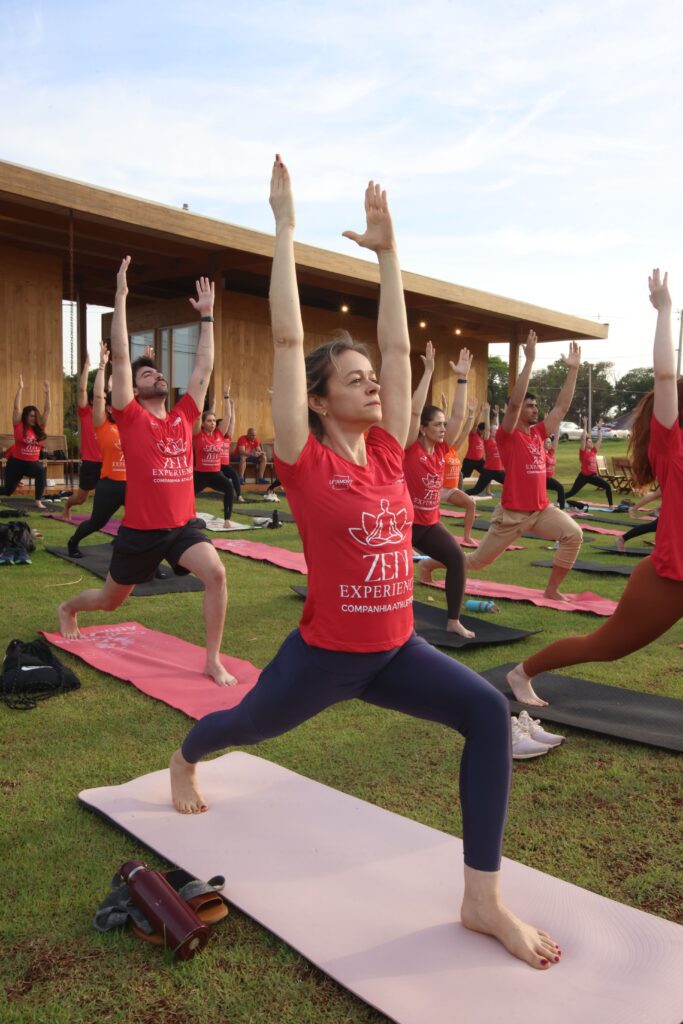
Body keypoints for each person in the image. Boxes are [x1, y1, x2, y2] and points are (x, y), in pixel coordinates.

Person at [169, 156, 562, 972]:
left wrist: (387, 254)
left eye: (371, 380)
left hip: (393, 652)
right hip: (322, 660)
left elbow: (393, 341)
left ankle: (480, 898)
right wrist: (282, 231)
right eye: (353, 381)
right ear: (318, 399)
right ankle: (186, 754)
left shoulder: (386, 450)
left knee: (486, 715)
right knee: (244, 726)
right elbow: (285, 338)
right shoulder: (302, 458)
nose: (373, 385)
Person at [507, 269, 683, 706]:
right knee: (606, 647)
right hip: (670, 578)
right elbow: (664, 376)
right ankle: (522, 672)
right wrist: (665, 311)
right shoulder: (671, 443)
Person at [57, 257, 235, 687]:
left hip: (182, 528)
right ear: (133, 389)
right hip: (140, 532)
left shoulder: (183, 416)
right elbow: (120, 353)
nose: (157, 375)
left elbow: (204, 369)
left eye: (158, 372)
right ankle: (68, 608)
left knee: (216, 573)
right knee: (109, 601)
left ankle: (212, 658)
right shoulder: (131, 416)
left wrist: (206, 317)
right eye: (147, 373)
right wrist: (120, 296)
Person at [464, 333, 584, 603]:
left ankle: (551, 590)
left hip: (541, 511)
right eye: (529, 406)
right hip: (511, 516)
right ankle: (430, 565)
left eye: (535, 405)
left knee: (573, 534)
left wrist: (573, 370)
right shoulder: (507, 435)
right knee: (476, 562)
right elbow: (515, 403)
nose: (534, 409)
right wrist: (529, 361)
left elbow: (561, 408)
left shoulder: (538, 434)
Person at [404, 340, 475, 637]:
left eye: (443, 424)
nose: (444, 428)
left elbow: (458, 417)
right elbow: (413, 410)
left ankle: (453, 620)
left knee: (457, 559)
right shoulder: (408, 447)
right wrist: (429, 371)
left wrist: (462, 378)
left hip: (429, 524)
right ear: (422, 427)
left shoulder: (441, 450)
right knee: (396, 573)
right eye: (437, 424)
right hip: (402, 524)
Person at [67, 344, 126, 556]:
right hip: (109, 484)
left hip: (131, 484)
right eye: (113, 405)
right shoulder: (102, 424)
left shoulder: (131, 425)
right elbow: (98, 395)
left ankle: (150, 564)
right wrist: (101, 365)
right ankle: (73, 542)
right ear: (108, 407)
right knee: (96, 522)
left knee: (143, 522)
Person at [63, 354, 103, 521]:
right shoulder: (86, 413)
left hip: (110, 462)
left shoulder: (111, 417)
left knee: (117, 493)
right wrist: (87, 365)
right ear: (92, 401)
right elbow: (81, 390)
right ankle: (67, 506)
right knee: (81, 498)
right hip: (91, 462)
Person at [193, 386, 239, 529]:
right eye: (209, 421)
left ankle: (227, 520)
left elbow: (228, 417)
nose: (212, 423)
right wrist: (200, 396)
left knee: (229, 487)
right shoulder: (197, 435)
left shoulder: (219, 434)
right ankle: (183, 516)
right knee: (185, 495)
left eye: (214, 420)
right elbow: (197, 416)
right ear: (203, 423)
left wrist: (226, 396)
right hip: (200, 475)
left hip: (216, 474)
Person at [4, 376, 51, 510]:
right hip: (16, 463)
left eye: (35, 416)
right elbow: (16, 408)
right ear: (25, 416)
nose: (34, 418)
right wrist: (20, 388)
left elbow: (47, 410)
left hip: (32, 464)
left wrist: (48, 394)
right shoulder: (18, 425)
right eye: (31, 416)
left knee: (40, 470)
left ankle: (38, 501)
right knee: (8, 491)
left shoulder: (40, 427)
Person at [440, 397, 479, 545]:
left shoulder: (454, 448)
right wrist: (443, 410)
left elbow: (464, 432)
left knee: (471, 504)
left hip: (451, 490)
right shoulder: (439, 449)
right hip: (436, 489)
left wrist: (470, 414)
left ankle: (467, 537)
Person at [563, 417, 613, 507]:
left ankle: (611, 505)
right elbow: (583, 438)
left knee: (607, 486)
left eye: (591, 441)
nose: (591, 443)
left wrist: (599, 428)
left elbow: (599, 439)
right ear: (586, 445)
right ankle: (558, 500)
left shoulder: (593, 451)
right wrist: (585, 424)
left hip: (593, 476)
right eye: (589, 442)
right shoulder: (583, 453)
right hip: (583, 477)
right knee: (572, 492)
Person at [465, 403, 505, 496]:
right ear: (490, 432)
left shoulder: (500, 440)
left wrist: (496, 415)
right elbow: (488, 428)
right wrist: (487, 412)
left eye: (496, 430)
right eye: (494, 430)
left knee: (511, 483)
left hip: (499, 471)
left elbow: (497, 426)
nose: (496, 430)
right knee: (476, 490)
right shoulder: (487, 440)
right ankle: (462, 495)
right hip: (488, 471)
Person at [215, 384, 245, 503]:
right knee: (222, 482)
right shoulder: (215, 436)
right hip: (216, 466)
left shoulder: (227, 437)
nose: (226, 426)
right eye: (223, 424)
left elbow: (232, 422)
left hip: (225, 465)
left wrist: (232, 407)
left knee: (235, 476)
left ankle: (239, 495)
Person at [543, 435, 565, 508]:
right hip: (543, 479)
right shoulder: (541, 453)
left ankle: (560, 506)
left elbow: (556, 441)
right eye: (548, 442)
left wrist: (558, 426)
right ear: (543, 443)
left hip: (549, 479)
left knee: (560, 488)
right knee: (560, 487)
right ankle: (562, 508)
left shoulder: (550, 453)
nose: (550, 444)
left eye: (550, 442)